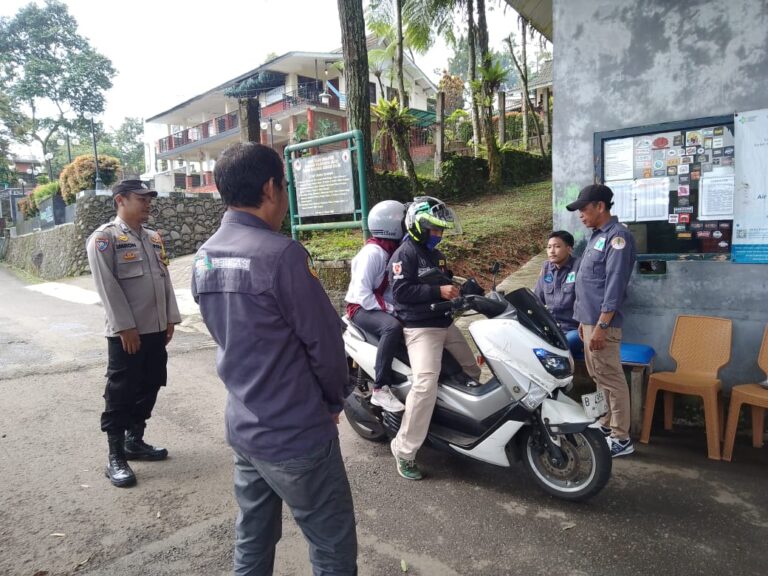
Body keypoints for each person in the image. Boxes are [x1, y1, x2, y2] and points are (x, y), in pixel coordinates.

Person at [191, 142, 357, 576]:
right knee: (332, 545)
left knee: (253, 538)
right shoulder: (281, 256)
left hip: (245, 427)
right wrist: (334, 400)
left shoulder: (204, 259)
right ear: (270, 188)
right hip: (296, 433)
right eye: (284, 185)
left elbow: (225, 335)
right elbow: (326, 344)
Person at [86, 179, 181, 488]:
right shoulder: (105, 239)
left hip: (156, 329)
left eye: (149, 198)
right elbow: (107, 287)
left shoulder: (153, 237)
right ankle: (115, 456)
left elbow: (164, 278)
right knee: (121, 391)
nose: (147, 203)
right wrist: (124, 327)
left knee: (152, 382)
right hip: (127, 333)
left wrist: (170, 318)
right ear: (120, 200)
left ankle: (134, 440)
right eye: (141, 198)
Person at [389, 196, 482, 480]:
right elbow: (400, 293)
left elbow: (444, 281)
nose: (438, 234)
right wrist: (437, 292)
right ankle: (404, 450)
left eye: (441, 230)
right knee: (425, 384)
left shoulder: (437, 255)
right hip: (420, 328)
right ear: (419, 226)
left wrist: (460, 289)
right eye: (434, 229)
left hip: (444, 322)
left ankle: (451, 420)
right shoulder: (404, 254)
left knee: (471, 368)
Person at [567, 184, 637, 458]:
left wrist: (602, 326)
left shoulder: (617, 237)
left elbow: (615, 285)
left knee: (611, 378)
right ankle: (607, 425)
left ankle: (621, 437)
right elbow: (590, 283)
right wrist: (583, 321)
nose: (580, 215)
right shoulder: (597, 236)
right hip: (590, 322)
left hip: (602, 324)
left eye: (584, 209)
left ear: (600, 206)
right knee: (599, 375)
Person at [345, 200, 406, 412]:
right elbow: (362, 295)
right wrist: (392, 310)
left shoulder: (392, 250)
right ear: (392, 227)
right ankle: (381, 388)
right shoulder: (372, 253)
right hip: (359, 308)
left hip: (375, 303)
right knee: (392, 327)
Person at [533, 230, 582, 355]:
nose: (552, 251)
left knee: (563, 344)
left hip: (573, 329)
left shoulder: (579, 267)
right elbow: (536, 299)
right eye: (549, 247)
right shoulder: (546, 267)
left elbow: (587, 301)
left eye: (557, 246)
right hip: (551, 328)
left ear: (569, 249)